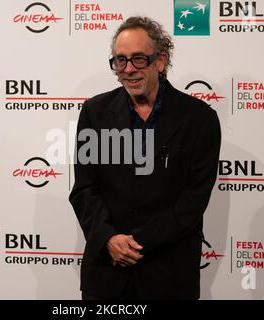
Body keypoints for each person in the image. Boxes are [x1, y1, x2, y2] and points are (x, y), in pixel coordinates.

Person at [69, 16, 221, 300]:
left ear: (160, 60)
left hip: (169, 276)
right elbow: (85, 189)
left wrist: (138, 244)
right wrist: (109, 240)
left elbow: (193, 200)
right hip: (106, 275)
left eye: (139, 59)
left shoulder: (199, 120)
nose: (128, 69)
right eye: (120, 60)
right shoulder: (95, 112)